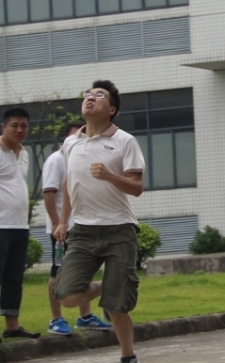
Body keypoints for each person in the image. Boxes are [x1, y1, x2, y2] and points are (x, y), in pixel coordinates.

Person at [53, 81, 145, 363]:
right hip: (82, 230)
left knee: (117, 308)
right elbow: (71, 181)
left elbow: (136, 187)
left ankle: (128, 356)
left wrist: (109, 176)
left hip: (119, 229)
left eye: (99, 96)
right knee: (66, 295)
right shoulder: (71, 143)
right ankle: (107, 286)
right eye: (87, 95)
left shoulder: (124, 141)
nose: (90, 98)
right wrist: (63, 221)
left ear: (112, 109)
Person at [43, 122, 110, 335]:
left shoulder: (83, 160)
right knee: (57, 273)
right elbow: (49, 192)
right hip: (63, 230)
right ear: (66, 140)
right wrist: (57, 223)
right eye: (75, 137)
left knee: (85, 272)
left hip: (84, 226)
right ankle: (56, 319)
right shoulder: (56, 161)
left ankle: (86, 316)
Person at [0, 108, 40, 340]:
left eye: (24, 125)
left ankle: (12, 326)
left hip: (19, 226)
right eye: (14, 125)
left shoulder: (24, 153)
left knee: (14, 278)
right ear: (3, 127)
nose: (19, 130)